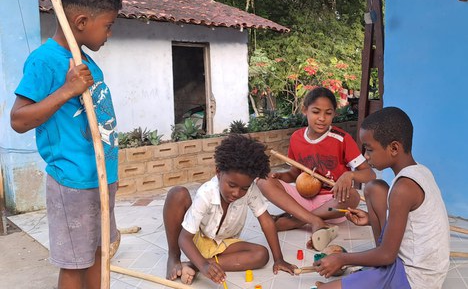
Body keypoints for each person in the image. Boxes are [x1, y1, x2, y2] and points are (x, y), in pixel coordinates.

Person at [10, 0, 122, 289]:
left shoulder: (85, 62)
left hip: (101, 177)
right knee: (75, 263)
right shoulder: (44, 61)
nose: (110, 33)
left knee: (100, 254)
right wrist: (67, 90)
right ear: (82, 21)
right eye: (108, 25)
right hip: (72, 183)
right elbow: (18, 120)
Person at [313, 107, 450, 289]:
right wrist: (370, 219)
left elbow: (388, 255)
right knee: (374, 188)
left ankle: (378, 273)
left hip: (415, 278)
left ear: (394, 148)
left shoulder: (403, 188)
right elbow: (412, 225)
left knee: (326, 288)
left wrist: (342, 259)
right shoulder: (420, 171)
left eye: (369, 149)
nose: (365, 156)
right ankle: (377, 271)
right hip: (412, 266)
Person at [164, 134, 297, 285]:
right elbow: (184, 238)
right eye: (232, 185)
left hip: (223, 244)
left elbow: (266, 221)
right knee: (177, 193)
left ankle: (192, 264)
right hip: (196, 240)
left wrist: (279, 259)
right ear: (218, 172)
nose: (237, 193)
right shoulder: (206, 193)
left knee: (261, 255)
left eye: (244, 188)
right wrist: (204, 265)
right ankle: (174, 258)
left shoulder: (251, 190)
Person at [256, 87, 375, 250]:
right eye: (316, 112)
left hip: (333, 205)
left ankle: (295, 220)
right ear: (305, 110)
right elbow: (293, 174)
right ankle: (313, 220)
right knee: (263, 181)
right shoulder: (296, 138)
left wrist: (349, 176)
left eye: (328, 113)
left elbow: (370, 174)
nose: (322, 118)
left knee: (353, 196)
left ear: (334, 114)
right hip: (303, 199)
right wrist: (280, 177)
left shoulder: (342, 139)